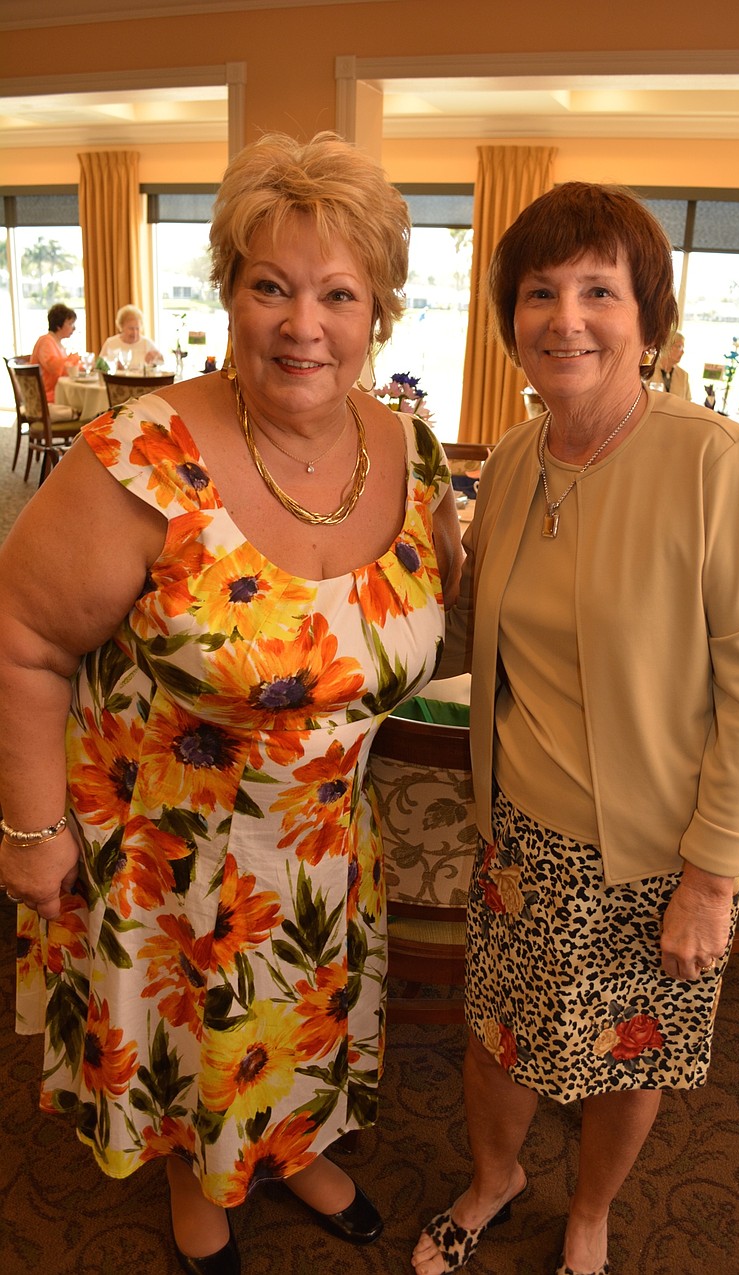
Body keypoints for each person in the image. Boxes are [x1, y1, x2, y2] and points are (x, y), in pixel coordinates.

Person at [0, 131, 462, 1275]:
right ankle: (189, 1176)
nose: (303, 324)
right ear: (229, 293)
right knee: (185, 1041)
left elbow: (433, 617)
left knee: (296, 1019)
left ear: (378, 314)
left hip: (319, 850)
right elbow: (21, 638)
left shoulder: (412, 448)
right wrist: (30, 826)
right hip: (164, 854)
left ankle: (290, 1147)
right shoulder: (139, 454)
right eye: (270, 286)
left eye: (337, 294)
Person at [412, 182, 739, 1275]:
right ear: (510, 322)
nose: (565, 317)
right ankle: (496, 1180)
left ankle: (589, 1210)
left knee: (630, 1057)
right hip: (518, 832)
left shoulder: (710, 460)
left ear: (648, 320)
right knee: (498, 1036)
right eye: (539, 292)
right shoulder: (521, 455)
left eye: (598, 290)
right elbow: (490, 639)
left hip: (654, 853)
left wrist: (713, 879)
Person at [30, 302, 78, 401]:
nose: (74, 328)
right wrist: (72, 359)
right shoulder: (45, 342)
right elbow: (55, 368)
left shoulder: (57, 343)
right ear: (58, 325)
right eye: (70, 323)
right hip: (46, 398)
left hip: (58, 393)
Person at [99, 304, 164, 368]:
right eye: (131, 328)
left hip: (140, 378)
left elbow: (162, 362)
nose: (135, 332)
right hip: (116, 378)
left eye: (137, 328)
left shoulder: (146, 343)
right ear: (121, 327)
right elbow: (99, 366)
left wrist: (157, 357)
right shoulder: (111, 343)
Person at [651, 330, 691, 399]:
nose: (683, 352)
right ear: (667, 347)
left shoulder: (683, 375)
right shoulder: (650, 370)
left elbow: (688, 402)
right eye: (679, 347)